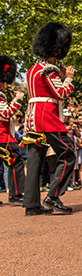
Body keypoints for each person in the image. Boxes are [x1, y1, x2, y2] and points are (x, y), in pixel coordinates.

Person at [23, 22, 76, 216]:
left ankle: (31, 204)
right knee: (68, 154)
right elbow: (61, 93)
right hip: (46, 116)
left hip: (33, 117)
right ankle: (53, 196)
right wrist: (68, 78)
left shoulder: (32, 69)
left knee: (36, 160)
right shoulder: (49, 69)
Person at [0, 55, 26, 205]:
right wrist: (18, 100)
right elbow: (6, 113)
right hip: (3, 137)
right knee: (16, 161)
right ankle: (16, 194)